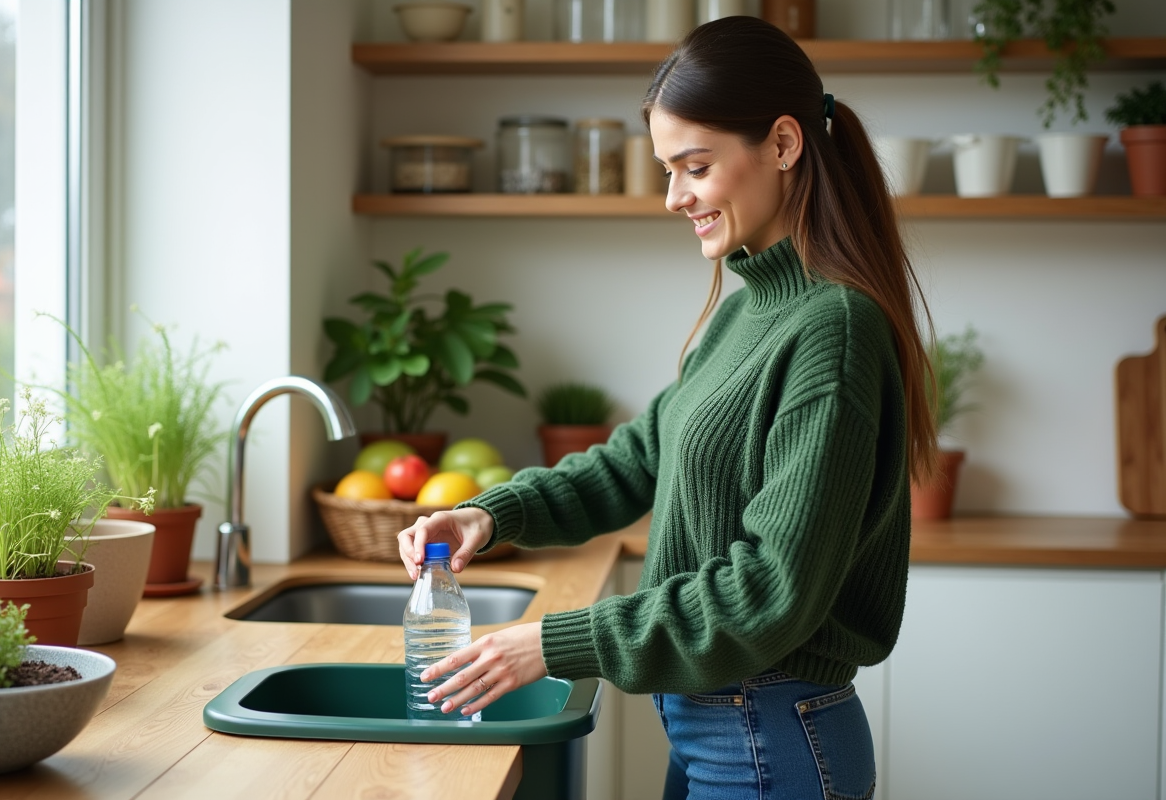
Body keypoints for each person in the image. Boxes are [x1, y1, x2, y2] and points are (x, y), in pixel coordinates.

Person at [397, 16, 937, 799]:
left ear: (784, 145)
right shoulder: (748, 311)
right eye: (667, 169)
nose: (673, 197)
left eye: (694, 166)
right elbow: (637, 459)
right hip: (716, 723)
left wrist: (552, 644)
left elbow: (768, 591)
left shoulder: (834, 329)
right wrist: (491, 515)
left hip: (768, 731)